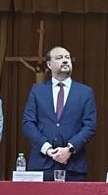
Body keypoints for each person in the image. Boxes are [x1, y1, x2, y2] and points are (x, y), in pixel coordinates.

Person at [22, 46, 97, 182]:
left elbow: (90, 125)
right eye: (59, 58)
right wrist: (47, 148)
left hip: (73, 165)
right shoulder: (37, 91)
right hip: (42, 164)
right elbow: (28, 123)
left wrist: (69, 149)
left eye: (67, 58)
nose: (65, 61)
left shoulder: (85, 92)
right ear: (49, 65)